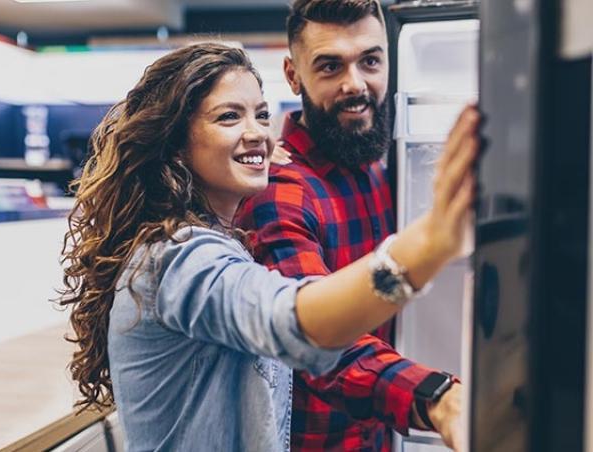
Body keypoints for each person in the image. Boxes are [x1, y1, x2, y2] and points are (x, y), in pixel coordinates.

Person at [59, 42, 477, 451]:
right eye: (228, 117)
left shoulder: (221, 242)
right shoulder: (177, 257)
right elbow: (292, 320)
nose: (257, 132)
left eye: (261, 115)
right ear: (175, 144)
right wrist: (428, 245)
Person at [235, 1, 478, 451]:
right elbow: (315, 341)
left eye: (370, 61)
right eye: (330, 66)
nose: (355, 85)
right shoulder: (281, 195)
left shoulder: (375, 164)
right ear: (293, 76)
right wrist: (437, 398)